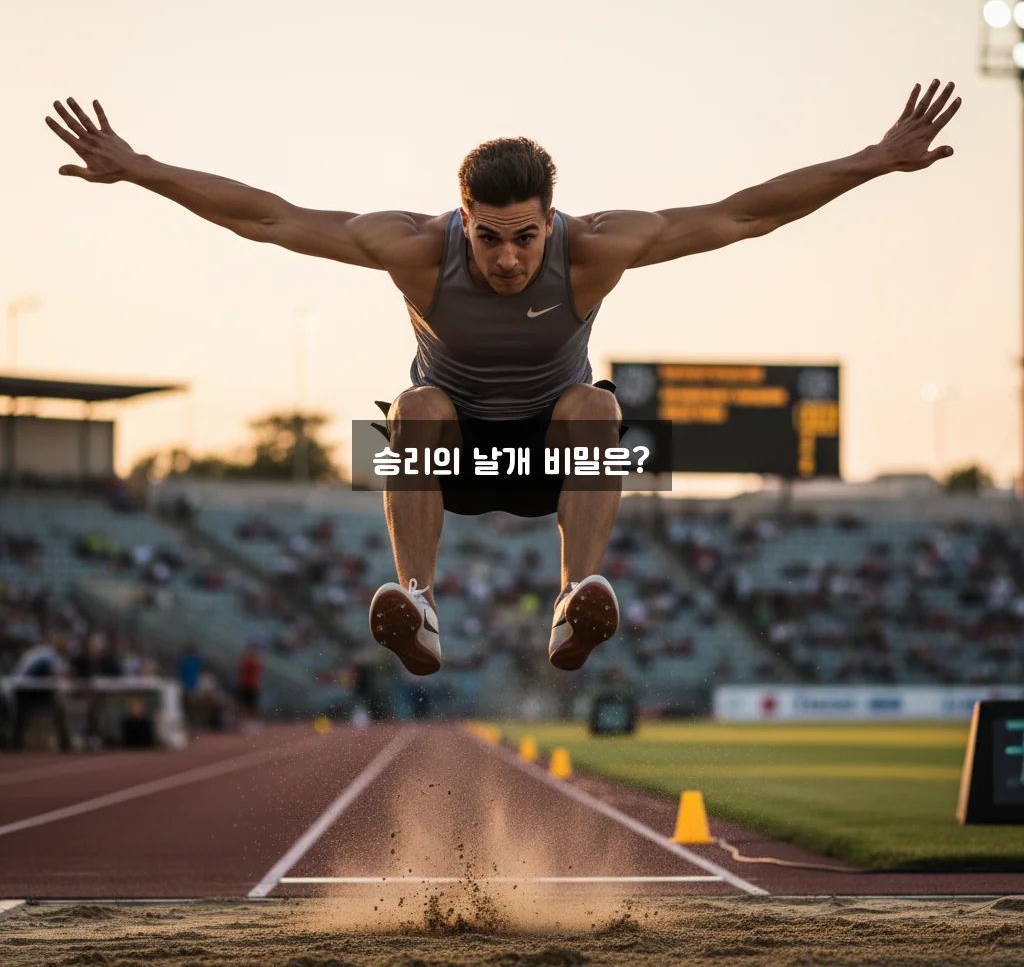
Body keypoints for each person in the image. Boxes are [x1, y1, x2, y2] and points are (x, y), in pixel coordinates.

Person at [45, 83, 961, 677]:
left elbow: (741, 216)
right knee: (414, 403)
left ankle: (575, 600)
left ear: (551, 219)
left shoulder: (598, 246)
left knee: (597, 405)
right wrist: (143, 171)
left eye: (527, 236)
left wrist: (874, 160)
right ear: (462, 216)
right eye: (489, 237)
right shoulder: (412, 247)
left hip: (553, 448)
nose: (510, 257)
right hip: (450, 450)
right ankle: (421, 602)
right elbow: (272, 221)